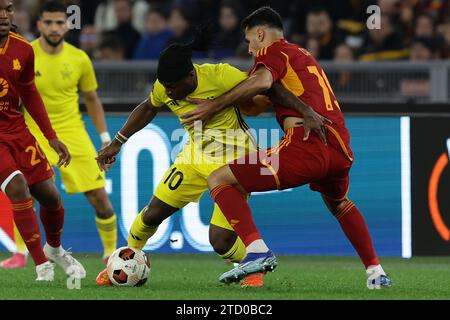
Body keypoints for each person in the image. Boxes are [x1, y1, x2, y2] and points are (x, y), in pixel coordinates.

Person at [180, 6, 392, 290]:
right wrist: (229, 95)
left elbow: (263, 81)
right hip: (338, 149)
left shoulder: (273, 52)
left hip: (306, 145)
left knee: (218, 178)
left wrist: (213, 105)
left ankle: (256, 249)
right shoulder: (302, 56)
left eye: (249, 42)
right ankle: (376, 272)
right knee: (339, 203)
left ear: (260, 33)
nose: (251, 50)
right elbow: (259, 102)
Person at [94, 39, 328, 287]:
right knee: (151, 215)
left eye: (173, 86)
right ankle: (124, 264)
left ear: (190, 75)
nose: (169, 92)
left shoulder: (221, 76)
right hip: (194, 158)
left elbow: (268, 88)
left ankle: (252, 268)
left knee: (220, 241)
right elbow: (149, 107)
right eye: (166, 87)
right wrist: (118, 141)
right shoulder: (166, 85)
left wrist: (305, 110)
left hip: (235, 163)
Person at [0, 1, 118, 268]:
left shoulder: (79, 58)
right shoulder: (25, 51)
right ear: (39, 24)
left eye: (59, 22)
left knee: (100, 197)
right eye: (48, 22)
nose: (54, 28)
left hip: (73, 131)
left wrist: (103, 137)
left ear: (68, 25)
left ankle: (109, 253)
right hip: (32, 131)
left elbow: (92, 99)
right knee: (27, 190)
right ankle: (21, 254)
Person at [0, 0, 85, 280]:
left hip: (17, 131)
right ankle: (41, 266)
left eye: (8, 9)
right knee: (17, 188)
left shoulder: (23, 49)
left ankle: (55, 250)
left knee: (50, 196)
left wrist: (51, 137)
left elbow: (30, 93)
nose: (3, 15)